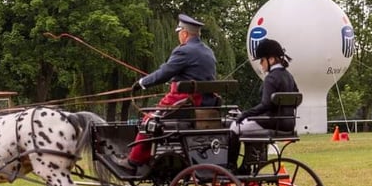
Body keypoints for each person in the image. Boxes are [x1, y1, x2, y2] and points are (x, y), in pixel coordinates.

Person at [122, 13, 217, 172]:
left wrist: (141, 83)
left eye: (179, 33)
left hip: (186, 102)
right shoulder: (208, 52)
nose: (179, 37)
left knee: (149, 120)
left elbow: (163, 73)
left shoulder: (184, 51)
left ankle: (134, 161)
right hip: (206, 103)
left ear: (185, 33)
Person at [228, 38, 299, 173]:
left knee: (235, 127)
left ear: (271, 59)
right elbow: (295, 98)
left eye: (262, 60)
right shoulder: (288, 76)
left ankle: (231, 167)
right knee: (250, 126)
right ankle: (246, 165)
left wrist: (245, 114)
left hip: (272, 122)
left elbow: (265, 105)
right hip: (289, 122)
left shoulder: (271, 78)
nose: (261, 64)